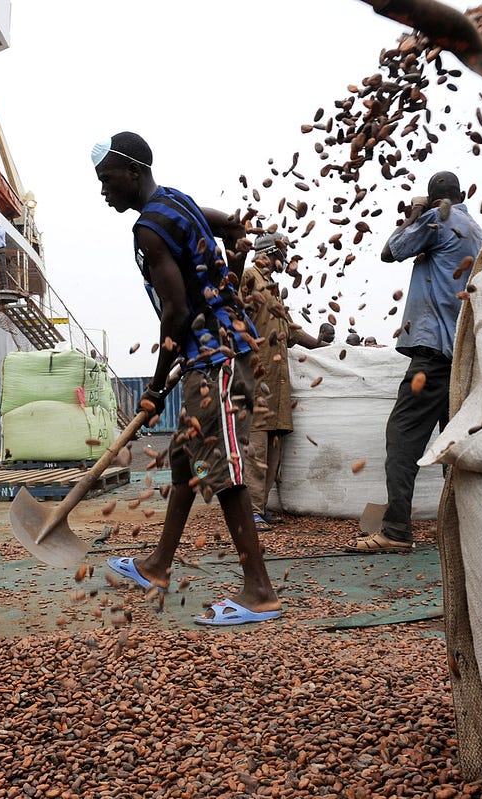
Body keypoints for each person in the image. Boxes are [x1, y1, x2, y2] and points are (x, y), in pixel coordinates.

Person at [91, 131, 280, 626]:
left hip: (214, 356)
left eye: (107, 179)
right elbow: (225, 223)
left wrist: (153, 387)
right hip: (212, 351)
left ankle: (258, 590)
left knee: (222, 467)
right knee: (183, 459)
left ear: (133, 172)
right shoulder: (176, 201)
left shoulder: (149, 228)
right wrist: (234, 253)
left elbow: (174, 310)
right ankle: (156, 565)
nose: (103, 190)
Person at [349, 170, 482, 553]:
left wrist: (414, 212)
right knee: (452, 443)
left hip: (432, 352)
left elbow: (390, 251)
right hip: (462, 355)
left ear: (435, 198)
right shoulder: (476, 230)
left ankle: (395, 531)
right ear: (461, 193)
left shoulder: (437, 219)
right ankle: (464, 530)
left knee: (403, 435)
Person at [241, 232, 324, 530]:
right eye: (282, 254)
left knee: (274, 448)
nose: (284, 261)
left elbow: (290, 333)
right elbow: (234, 319)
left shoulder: (274, 292)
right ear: (270, 253)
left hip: (278, 385)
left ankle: (260, 508)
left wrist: (321, 345)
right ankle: (250, 511)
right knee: (258, 447)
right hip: (258, 379)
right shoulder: (248, 278)